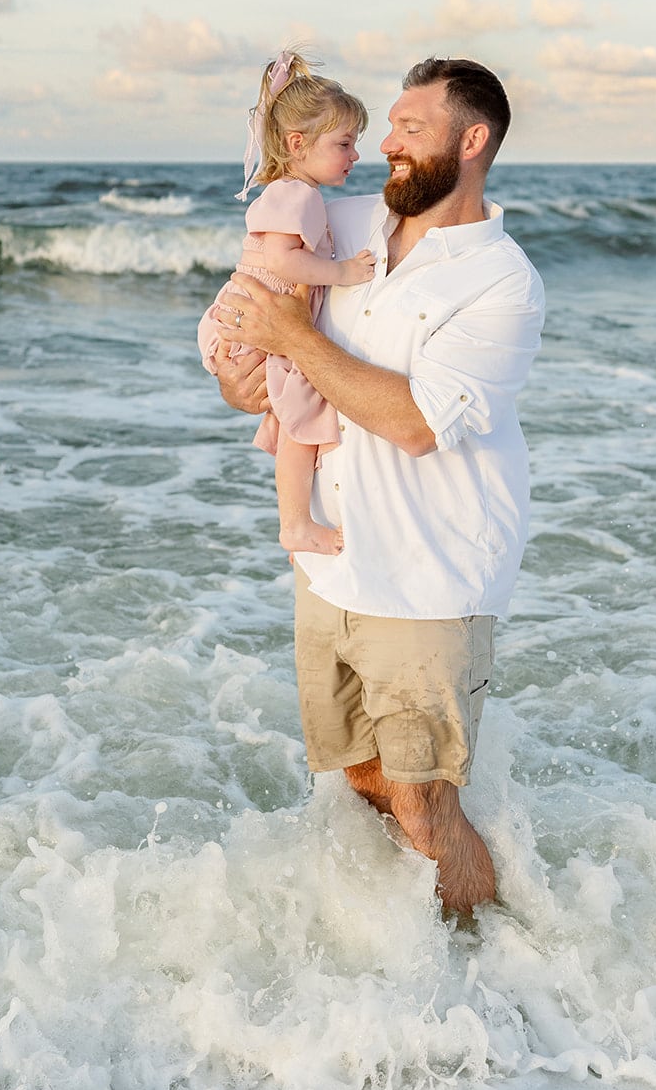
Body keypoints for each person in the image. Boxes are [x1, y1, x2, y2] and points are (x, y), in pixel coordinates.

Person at [209, 57, 545, 914]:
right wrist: (239, 375)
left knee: (425, 805)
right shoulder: (340, 217)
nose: (386, 144)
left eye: (410, 128)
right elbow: (248, 316)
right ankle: (403, 948)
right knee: (361, 781)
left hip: (428, 577)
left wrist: (294, 336)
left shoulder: (501, 282)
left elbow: (417, 422)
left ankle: (490, 953)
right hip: (330, 563)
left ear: (471, 141)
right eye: (387, 125)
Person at [198, 52, 376, 555]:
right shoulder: (299, 195)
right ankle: (295, 523)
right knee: (303, 416)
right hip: (259, 321)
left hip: (245, 319)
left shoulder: (290, 192)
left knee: (294, 414)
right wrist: (343, 272)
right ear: (298, 144)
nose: (355, 155)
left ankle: (297, 521)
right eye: (344, 143)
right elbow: (281, 260)